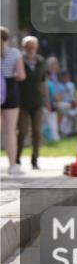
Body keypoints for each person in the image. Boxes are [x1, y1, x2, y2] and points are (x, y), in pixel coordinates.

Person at [17, 36, 48, 170]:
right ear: (24, 47)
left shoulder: (41, 61)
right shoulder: (19, 60)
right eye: (28, 47)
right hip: (21, 101)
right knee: (23, 131)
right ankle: (17, 158)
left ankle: (35, 159)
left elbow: (43, 82)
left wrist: (47, 100)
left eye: (33, 47)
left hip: (37, 101)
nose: (31, 49)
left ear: (36, 47)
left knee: (37, 131)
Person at [1, 28, 27, 175]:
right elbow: (22, 75)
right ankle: (12, 165)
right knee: (10, 130)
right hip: (10, 91)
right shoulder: (15, 53)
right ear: (7, 39)